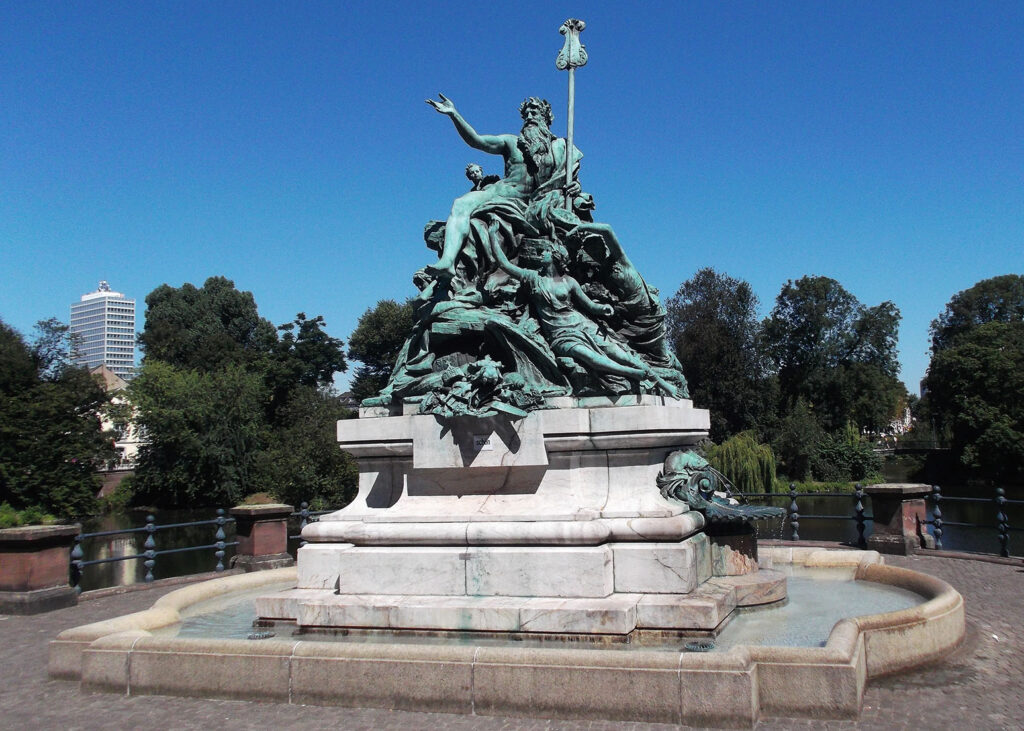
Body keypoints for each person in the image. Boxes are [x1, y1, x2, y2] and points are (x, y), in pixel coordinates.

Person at [488, 218, 682, 398]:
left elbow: (589, 306)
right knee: (590, 357)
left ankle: (664, 385)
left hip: (581, 324)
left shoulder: (569, 282)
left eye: (545, 252)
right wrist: (492, 235)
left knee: (622, 354)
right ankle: (631, 374)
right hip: (559, 333)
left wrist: (602, 308)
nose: (541, 254)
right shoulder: (532, 278)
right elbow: (503, 263)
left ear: (555, 257)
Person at [424, 94, 581, 277]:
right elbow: (477, 141)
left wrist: (575, 187)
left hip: (533, 203)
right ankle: (448, 262)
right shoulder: (511, 142)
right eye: (526, 114)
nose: (529, 116)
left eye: (534, 112)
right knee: (460, 203)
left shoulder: (561, 147)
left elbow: (567, 179)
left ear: (546, 117)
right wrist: (454, 114)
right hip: (500, 194)